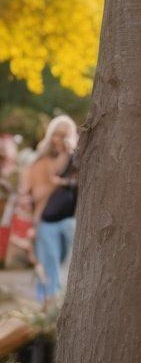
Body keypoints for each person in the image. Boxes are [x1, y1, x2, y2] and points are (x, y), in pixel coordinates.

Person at [22, 116, 78, 303]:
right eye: (56, 134)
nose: (58, 139)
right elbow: (34, 192)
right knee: (49, 261)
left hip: (70, 218)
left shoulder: (75, 158)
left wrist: (63, 181)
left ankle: (54, 299)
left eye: (63, 135)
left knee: (64, 261)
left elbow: (78, 183)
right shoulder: (42, 160)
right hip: (46, 219)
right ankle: (48, 303)